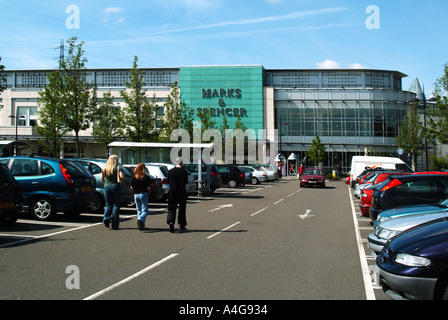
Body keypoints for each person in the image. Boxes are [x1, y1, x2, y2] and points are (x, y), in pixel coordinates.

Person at [101, 155, 125, 230]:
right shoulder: (118, 168)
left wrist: (105, 183)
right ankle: (115, 224)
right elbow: (122, 176)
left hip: (107, 186)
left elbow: (102, 179)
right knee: (116, 205)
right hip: (116, 186)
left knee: (108, 204)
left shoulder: (105, 168)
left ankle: (106, 217)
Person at [167, 157, 189, 233]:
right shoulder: (184, 171)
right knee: (182, 209)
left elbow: (168, 181)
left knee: (172, 208)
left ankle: (171, 222)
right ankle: (182, 224)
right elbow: (185, 182)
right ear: (181, 163)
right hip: (181, 192)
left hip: (172, 192)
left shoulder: (171, 171)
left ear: (175, 162)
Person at [130, 163, 151, 230]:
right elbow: (148, 187)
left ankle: (142, 225)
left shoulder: (133, 178)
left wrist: (134, 191)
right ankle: (141, 220)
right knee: (145, 210)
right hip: (143, 194)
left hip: (136, 194)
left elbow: (131, 187)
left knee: (139, 210)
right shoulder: (146, 177)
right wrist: (149, 193)